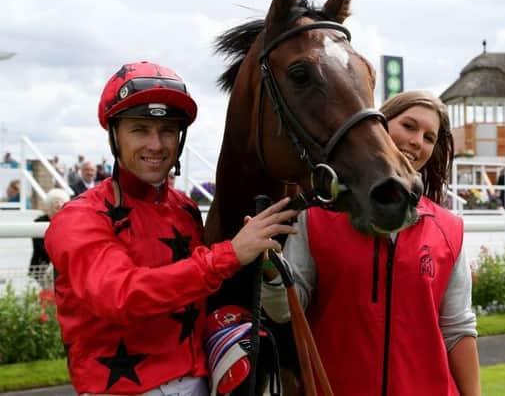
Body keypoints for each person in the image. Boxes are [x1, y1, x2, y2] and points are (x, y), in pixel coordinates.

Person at [45, 61, 298, 396]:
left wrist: (258, 266)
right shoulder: (78, 218)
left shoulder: (185, 209)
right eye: (140, 129)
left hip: (198, 383)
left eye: (167, 131)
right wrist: (230, 254)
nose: (156, 145)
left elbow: (198, 294)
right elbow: (119, 296)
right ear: (114, 135)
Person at [262, 91, 480, 395]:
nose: (418, 141)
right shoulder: (316, 218)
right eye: (409, 126)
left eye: (430, 137)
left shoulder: (449, 229)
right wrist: (270, 270)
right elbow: (286, 311)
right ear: (378, 125)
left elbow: (457, 329)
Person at [29, 188, 70, 285]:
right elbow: (39, 248)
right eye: (55, 201)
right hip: (41, 268)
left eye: (61, 201)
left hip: (61, 268)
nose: (58, 204)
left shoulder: (67, 221)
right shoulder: (38, 223)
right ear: (49, 205)